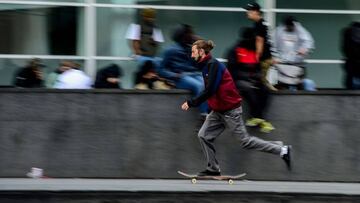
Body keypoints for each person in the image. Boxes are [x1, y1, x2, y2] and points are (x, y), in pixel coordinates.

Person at [181, 39, 291, 176]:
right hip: (218, 110)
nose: (191, 55)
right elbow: (214, 92)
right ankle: (213, 169)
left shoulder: (214, 65)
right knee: (203, 135)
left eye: (193, 52)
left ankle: (282, 150)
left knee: (245, 141)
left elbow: (211, 90)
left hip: (230, 110)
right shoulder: (206, 66)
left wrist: (191, 102)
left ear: (201, 52)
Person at [227, 27, 274, 133]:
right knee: (249, 89)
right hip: (238, 80)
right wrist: (248, 77)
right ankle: (260, 118)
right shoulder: (235, 50)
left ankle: (256, 117)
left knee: (265, 90)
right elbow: (232, 70)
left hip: (252, 79)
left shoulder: (254, 51)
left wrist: (257, 76)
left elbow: (258, 68)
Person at [159, 24, 208, 116]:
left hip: (194, 74)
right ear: (183, 36)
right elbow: (161, 69)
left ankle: (214, 113)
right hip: (181, 77)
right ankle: (204, 115)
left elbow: (200, 65)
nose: (192, 35)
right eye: (189, 33)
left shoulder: (190, 49)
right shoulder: (170, 50)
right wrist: (174, 75)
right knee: (199, 86)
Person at [273, 16, 316, 91]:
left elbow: (308, 41)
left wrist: (305, 49)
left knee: (300, 85)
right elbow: (273, 45)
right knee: (284, 85)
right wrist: (275, 57)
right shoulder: (278, 31)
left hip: (298, 64)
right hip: (283, 64)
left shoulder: (300, 30)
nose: (290, 28)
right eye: (288, 27)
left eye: (291, 27)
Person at [246, 2, 277, 91]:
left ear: (256, 12)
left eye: (249, 11)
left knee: (261, 81)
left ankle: (274, 95)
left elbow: (260, 40)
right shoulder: (262, 23)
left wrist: (257, 57)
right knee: (260, 80)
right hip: (267, 57)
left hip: (263, 58)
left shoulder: (260, 24)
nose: (247, 13)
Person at [342, 21, 360, 90]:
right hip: (353, 65)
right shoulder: (348, 32)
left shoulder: (348, 32)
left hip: (352, 64)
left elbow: (345, 49)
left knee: (352, 86)